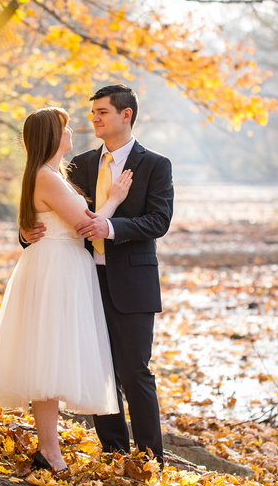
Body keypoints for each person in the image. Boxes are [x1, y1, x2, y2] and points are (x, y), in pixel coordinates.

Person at [22, 84, 173, 464]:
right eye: (93, 113)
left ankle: (151, 458)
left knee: (134, 370)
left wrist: (111, 228)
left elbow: (159, 220)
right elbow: (47, 208)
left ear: (126, 115)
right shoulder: (80, 163)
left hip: (132, 281)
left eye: (102, 112)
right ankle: (113, 453)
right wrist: (24, 233)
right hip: (81, 279)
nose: (94, 118)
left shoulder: (155, 164)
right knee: (97, 366)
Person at [0, 107, 133, 474]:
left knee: (49, 360)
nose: (72, 130)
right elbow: (84, 226)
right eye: (65, 127)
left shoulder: (50, 175)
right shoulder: (46, 178)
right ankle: (49, 451)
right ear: (51, 135)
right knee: (48, 357)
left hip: (60, 266)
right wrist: (115, 198)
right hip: (57, 269)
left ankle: (49, 450)